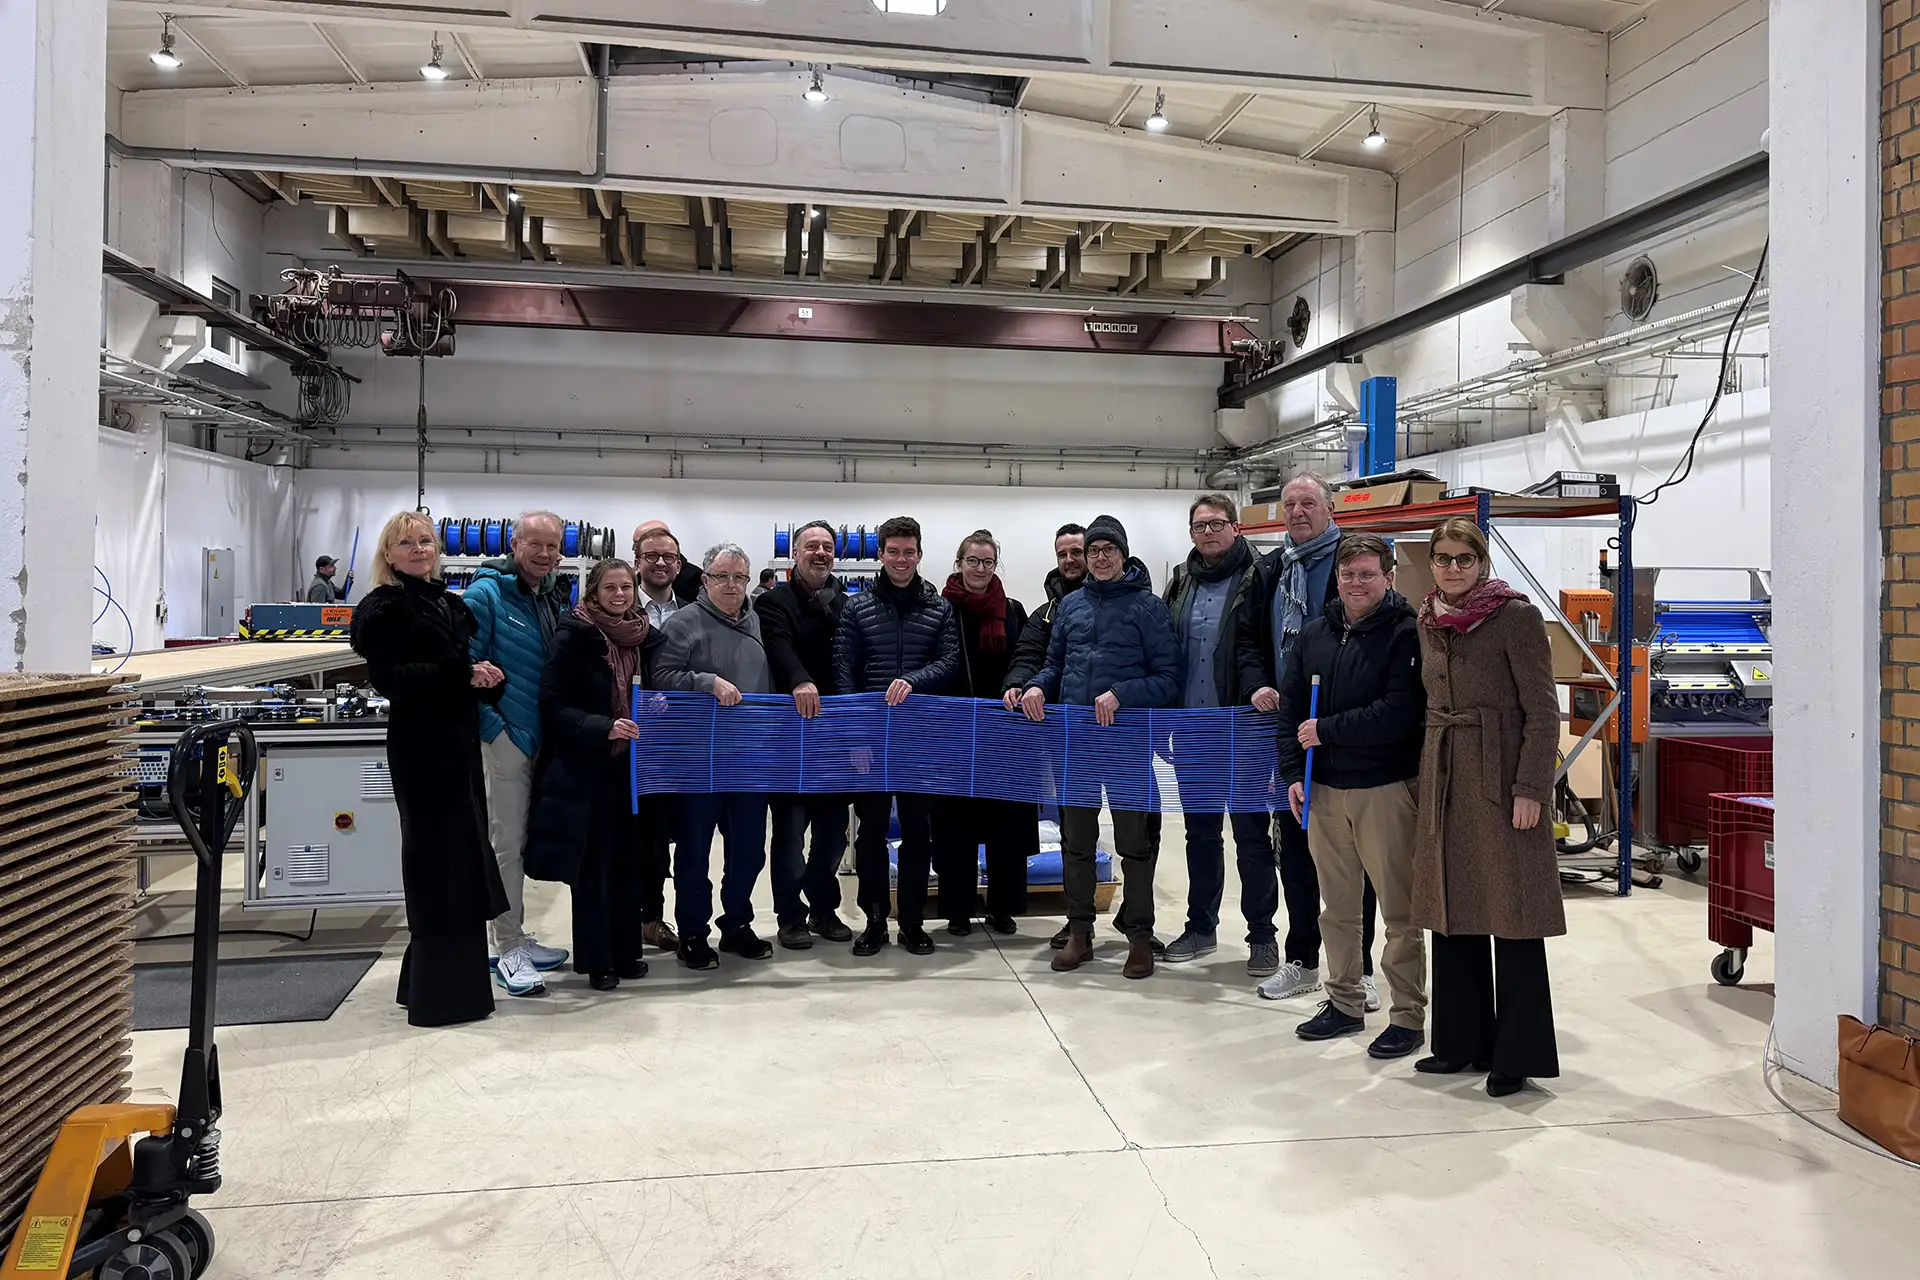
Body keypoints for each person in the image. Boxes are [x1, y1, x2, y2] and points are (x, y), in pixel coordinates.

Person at [1411, 516, 1565, 1097]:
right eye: (1444, 559)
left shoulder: (1516, 618)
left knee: (1512, 913)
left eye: (1464, 559)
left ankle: (1515, 1055)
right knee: (1452, 909)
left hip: (1499, 782)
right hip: (1444, 775)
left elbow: (1544, 711)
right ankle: (1459, 1043)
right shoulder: (1426, 620)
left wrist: (1531, 788)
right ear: (1432, 564)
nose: (1453, 569)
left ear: (1483, 563)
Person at [349, 512, 507, 1027]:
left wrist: (483, 678)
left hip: (456, 742)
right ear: (388, 554)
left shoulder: (444, 602)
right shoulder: (383, 610)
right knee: (436, 860)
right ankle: (440, 996)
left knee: (459, 854)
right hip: (421, 746)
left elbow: (453, 670)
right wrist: (461, 674)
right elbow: (392, 678)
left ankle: (433, 982)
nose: (419, 549)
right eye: (407, 543)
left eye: (425, 541)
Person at [1277, 534, 1428, 1060]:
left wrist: (1329, 731)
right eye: (1348, 575)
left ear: (1389, 577)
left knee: (1399, 912)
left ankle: (1407, 1015)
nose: (1357, 584)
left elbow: (1399, 714)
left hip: (1384, 790)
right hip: (1323, 791)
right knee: (1337, 910)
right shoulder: (1316, 634)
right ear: (1336, 579)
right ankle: (1343, 1003)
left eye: (1368, 574)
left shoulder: (1406, 634)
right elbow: (1291, 711)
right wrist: (1295, 773)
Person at [1020, 514, 1181, 980]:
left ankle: (1138, 936)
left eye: (1109, 549)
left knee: (1135, 845)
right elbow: (1054, 665)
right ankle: (1079, 933)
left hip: (1128, 747)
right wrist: (1036, 686)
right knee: (1077, 844)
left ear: (1123, 555)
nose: (1100, 557)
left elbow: (1168, 679)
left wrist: (1122, 694)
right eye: (1093, 550)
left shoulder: (1149, 608)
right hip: (1077, 746)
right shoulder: (1071, 608)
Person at [1240, 472, 1379, 1005]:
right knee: (1294, 850)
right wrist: (1257, 684)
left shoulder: (1351, 561)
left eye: (1308, 503)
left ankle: (1359, 967)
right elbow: (1249, 638)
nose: (1297, 512)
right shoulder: (1272, 569)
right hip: (1289, 723)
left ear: (1329, 507)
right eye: (1290, 503)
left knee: (1352, 858)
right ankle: (1301, 959)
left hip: (1344, 732)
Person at [1160, 494, 1280, 977]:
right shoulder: (1181, 582)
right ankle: (1201, 926)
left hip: (1245, 729)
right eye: (1199, 526)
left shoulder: (1262, 576)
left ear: (1236, 527)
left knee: (1252, 836)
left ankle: (1262, 936)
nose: (1207, 533)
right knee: (1201, 835)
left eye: (1216, 524)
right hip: (1193, 729)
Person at [833, 515, 962, 958]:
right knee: (869, 833)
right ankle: (872, 921)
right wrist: (855, 737)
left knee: (916, 832)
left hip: (920, 741)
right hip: (870, 741)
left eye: (909, 552)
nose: (901, 559)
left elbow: (950, 662)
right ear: (881, 554)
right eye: (893, 551)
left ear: (919, 555)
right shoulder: (857, 607)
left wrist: (914, 679)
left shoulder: (939, 607)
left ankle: (911, 921)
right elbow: (844, 672)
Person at [525, 559, 656, 992]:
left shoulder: (641, 635)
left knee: (627, 864)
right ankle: (598, 961)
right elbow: (553, 704)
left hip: (629, 768)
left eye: (626, 588)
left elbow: (650, 692)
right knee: (594, 869)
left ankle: (626, 951)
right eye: (610, 588)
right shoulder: (576, 633)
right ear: (593, 592)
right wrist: (604, 727)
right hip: (588, 766)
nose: (619, 596)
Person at [463, 510, 571, 997]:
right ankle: (506, 949)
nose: (545, 554)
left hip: (543, 738)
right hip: (507, 739)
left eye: (553, 545)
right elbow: (461, 667)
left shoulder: (550, 594)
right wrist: (494, 732)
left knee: (521, 844)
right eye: (536, 544)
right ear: (514, 543)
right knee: (504, 846)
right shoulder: (485, 594)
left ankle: (517, 936)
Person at [654, 542, 776, 970]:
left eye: (739, 578)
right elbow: (660, 677)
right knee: (694, 853)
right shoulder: (684, 623)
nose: (731, 585)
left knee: (747, 851)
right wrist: (707, 681)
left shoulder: (756, 621)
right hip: (697, 762)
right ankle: (692, 932)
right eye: (721, 577)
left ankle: (737, 925)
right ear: (704, 580)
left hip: (748, 760)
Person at [755, 520, 855, 950]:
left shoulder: (847, 604)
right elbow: (778, 646)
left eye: (827, 546)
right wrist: (799, 680)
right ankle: (790, 916)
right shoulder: (773, 602)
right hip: (789, 736)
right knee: (791, 833)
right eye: (811, 546)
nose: (820, 553)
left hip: (835, 739)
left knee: (834, 833)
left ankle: (824, 908)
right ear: (794, 554)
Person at [934, 530, 1035, 936]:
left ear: (996, 566)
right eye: (972, 561)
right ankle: (957, 909)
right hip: (952, 737)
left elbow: (1027, 658)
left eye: (987, 562)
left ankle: (1003, 907)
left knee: (1006, 828)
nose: (979, 569)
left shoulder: (1013, 610)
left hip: (1006, 737)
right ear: (959, 563)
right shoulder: (939, 609)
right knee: (954, 827)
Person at [629, 521, 687, 950]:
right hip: (631, 741)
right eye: (652, 556)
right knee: (641, 838)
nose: (661, 563)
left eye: (668, 557)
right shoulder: (620, 609)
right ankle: (641, 917)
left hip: (683, 743)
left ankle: (665, 919)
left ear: (679, 563)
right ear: (638, 562)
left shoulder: (690, 613)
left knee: (677, 837)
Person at [1002, 524, 1087, 697]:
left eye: (1076, 552)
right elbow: (1027, 657)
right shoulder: (1044, 615)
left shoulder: (1114, 606)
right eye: (1062, 555)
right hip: (1052, 712)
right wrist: (1017, 683)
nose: (1069, 560)